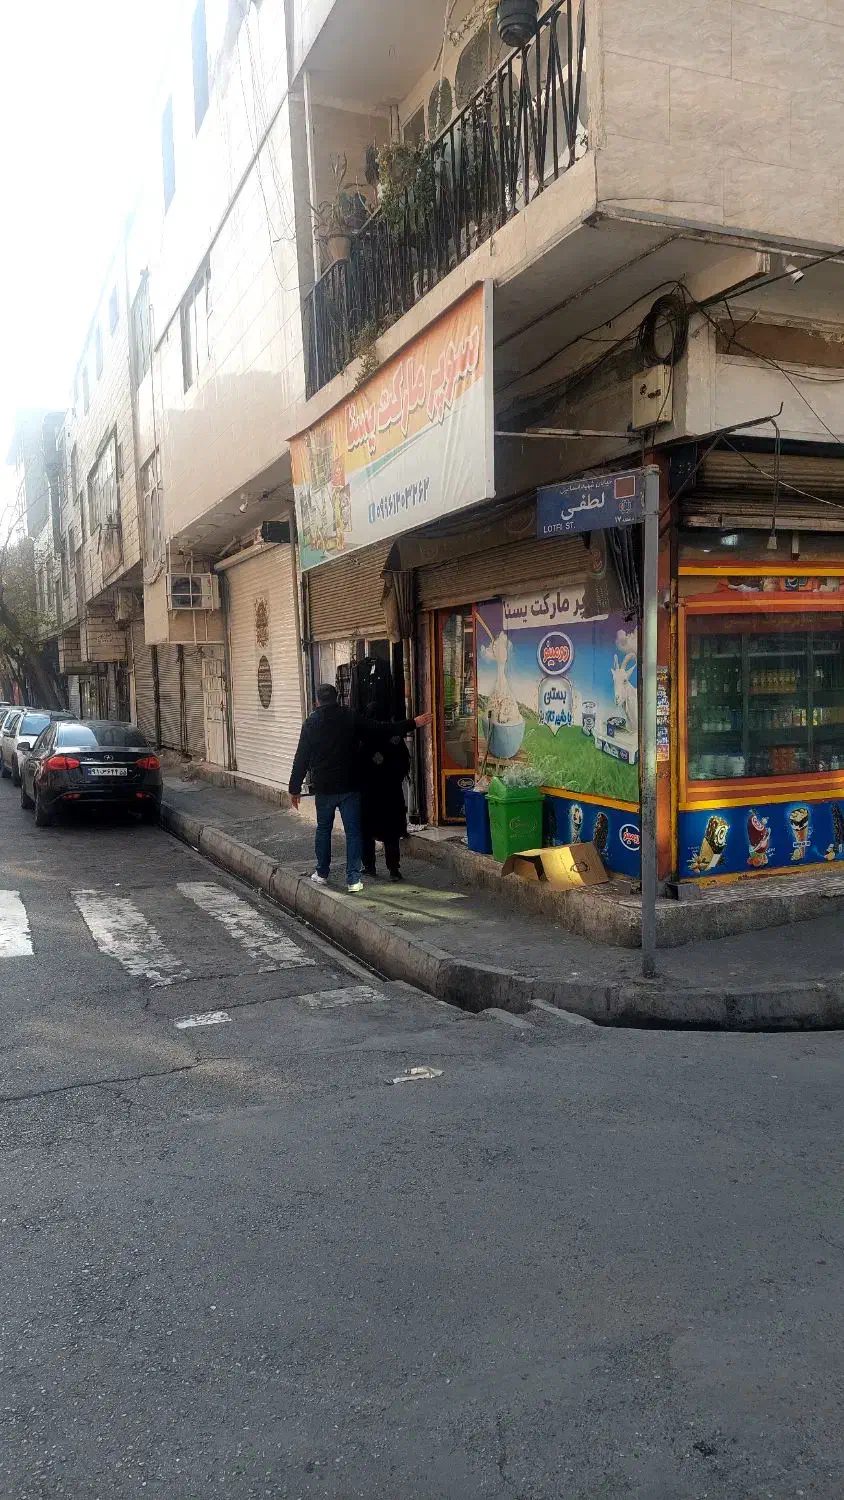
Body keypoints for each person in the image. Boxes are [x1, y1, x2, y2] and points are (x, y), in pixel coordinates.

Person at [288, 683, 429, 893]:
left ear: (317, 701)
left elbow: (301, 757)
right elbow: (380, 728)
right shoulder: (350, 717)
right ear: (337, 698)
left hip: (325, 788)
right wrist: (413, 723)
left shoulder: (311, 723)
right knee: (353, 832)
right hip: (349, 786)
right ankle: (353, 880)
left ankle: (322, 873)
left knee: (324, 830)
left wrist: (294, 788)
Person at [360, 726, 411, 881]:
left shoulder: (364, 736)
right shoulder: (394, 736)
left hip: (369, 793)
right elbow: (405, 763)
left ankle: (369, 866)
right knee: (391, 831)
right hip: (391, 792)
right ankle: (394, 869)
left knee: (367, 831)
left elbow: (356, 764)